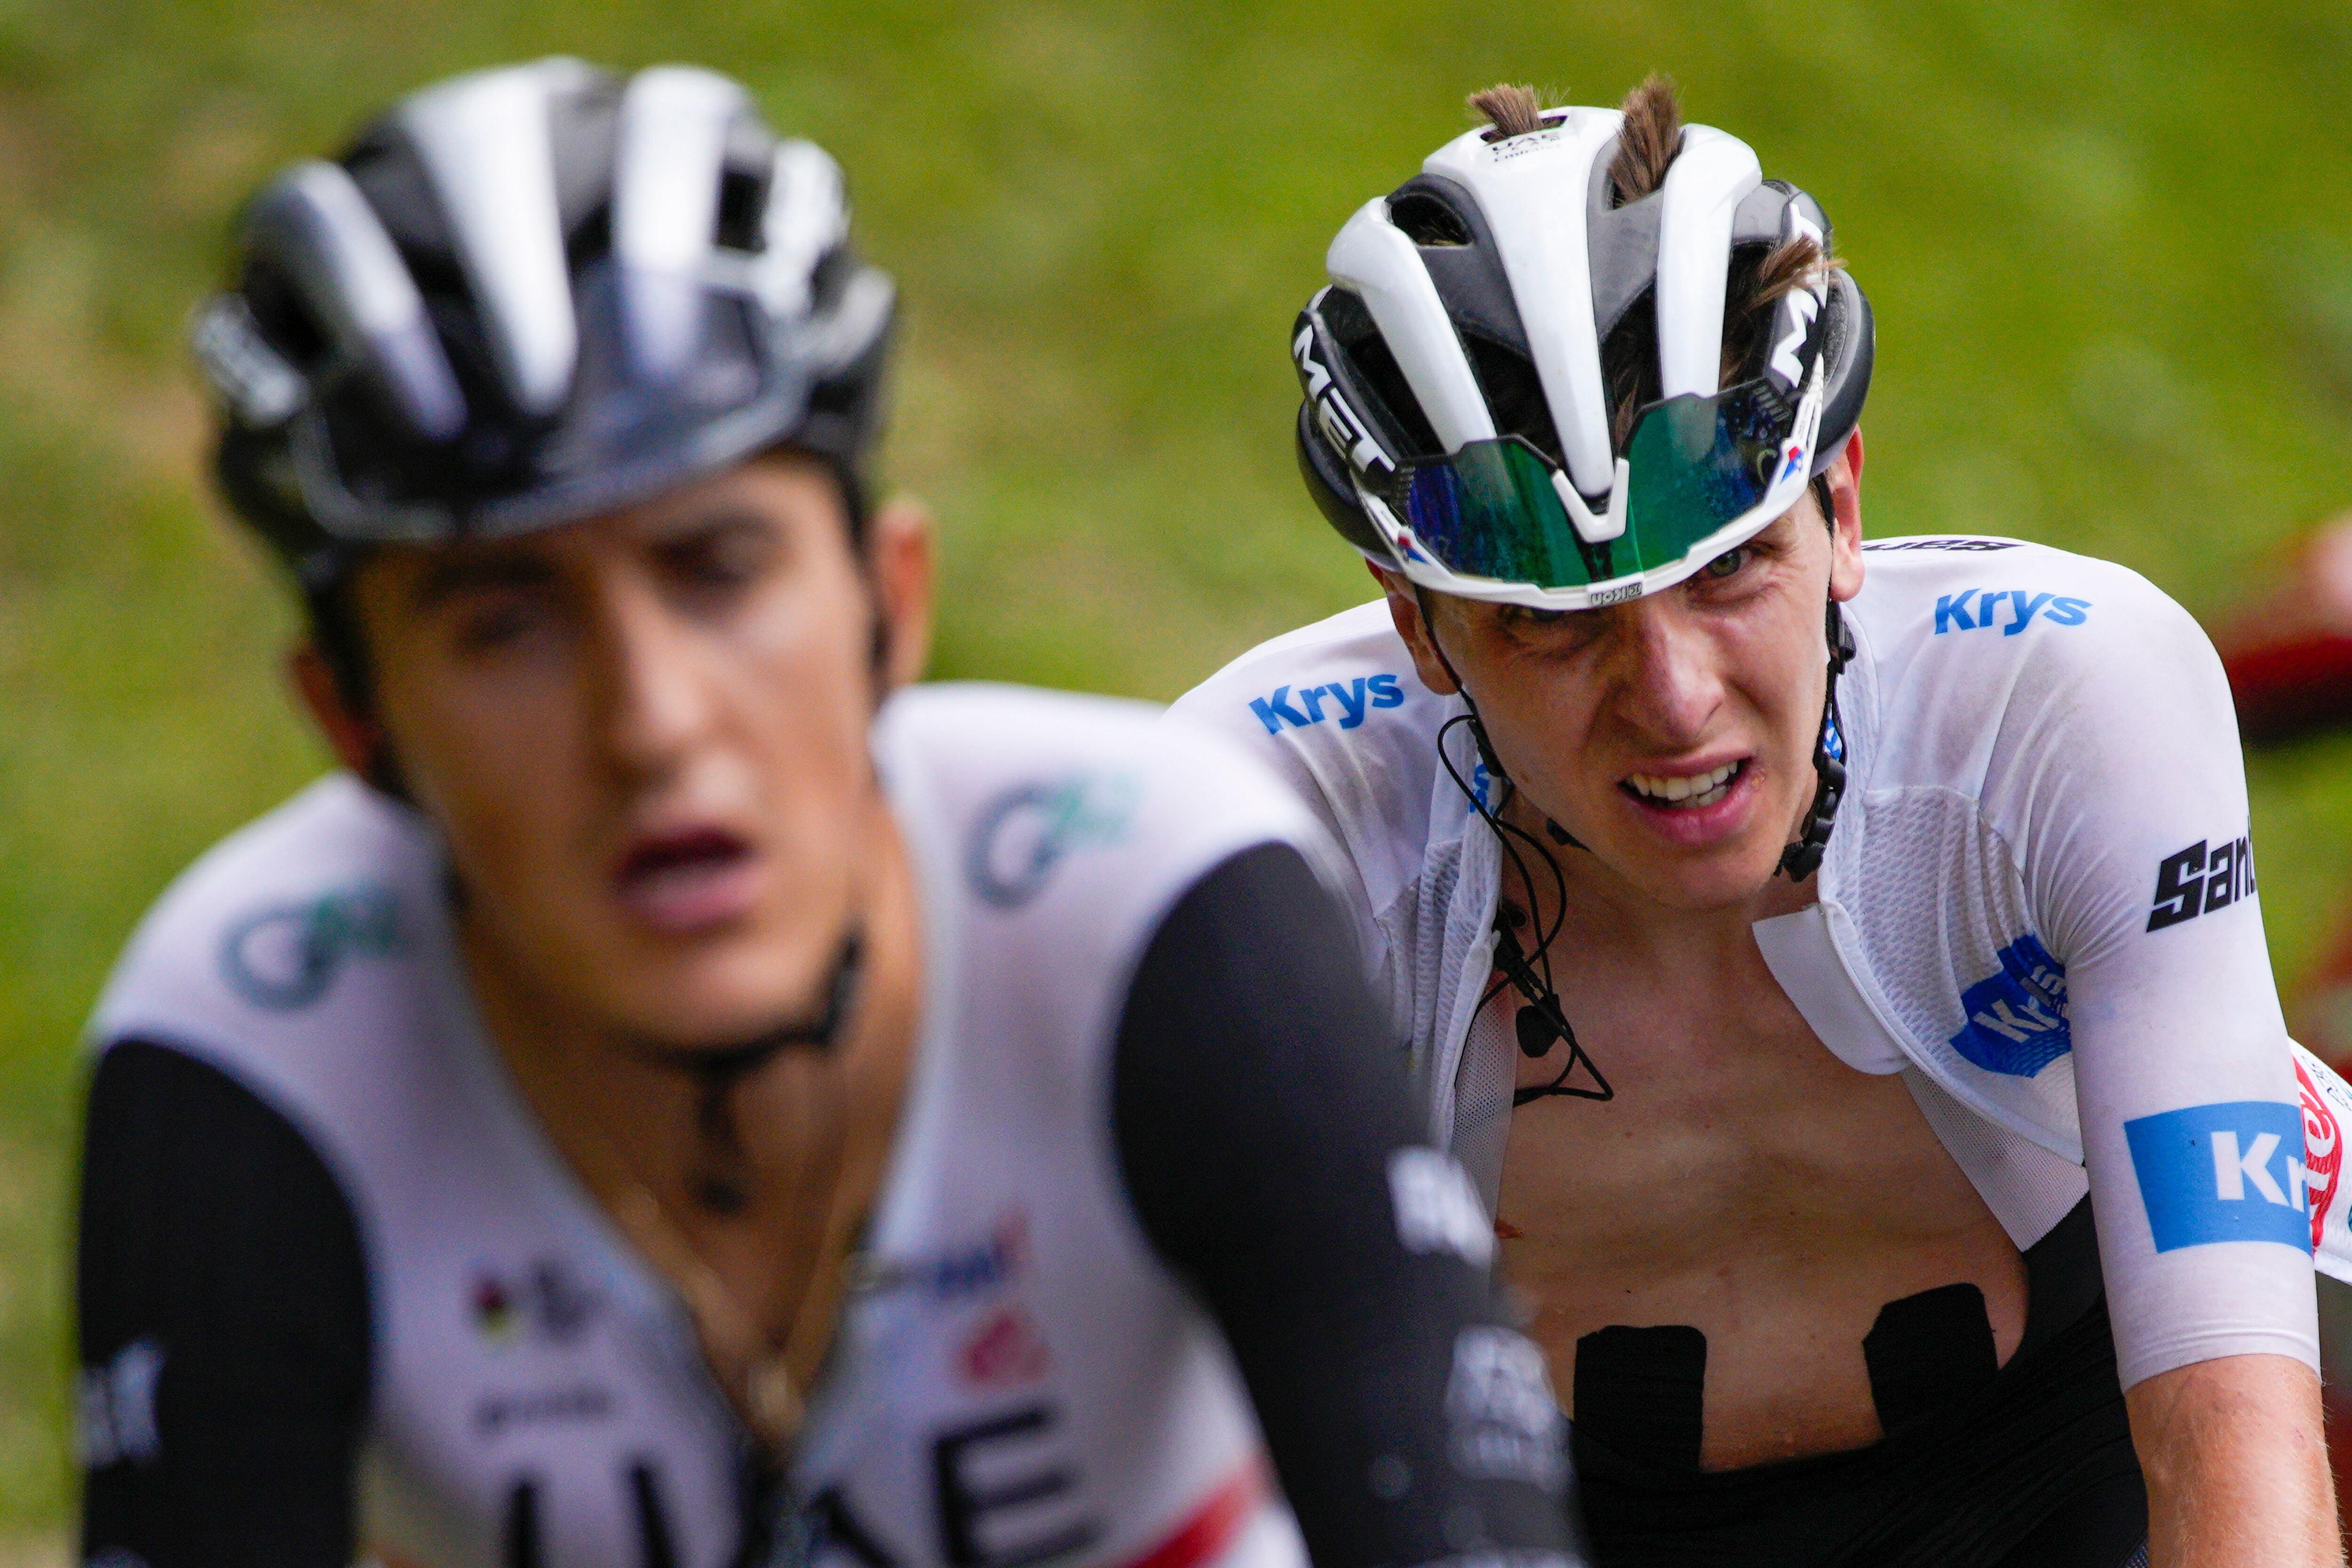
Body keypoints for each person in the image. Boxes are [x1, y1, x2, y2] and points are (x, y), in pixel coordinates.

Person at [75, 59, 1578, 1568]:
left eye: (718, 568)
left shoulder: (1149, 902)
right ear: (354, 720)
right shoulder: (250, 1046)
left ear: (888, 606)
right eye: (502, 624)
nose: (651, 724)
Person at [1173, 76, 2349, 1568]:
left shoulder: (2058, 702)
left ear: (1843, 509)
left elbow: (2233, 1427)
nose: (1674, 700)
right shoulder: (1264, 822)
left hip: (2071, 1463)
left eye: (1730, 571)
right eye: (1558, 624)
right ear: (1419, 626)